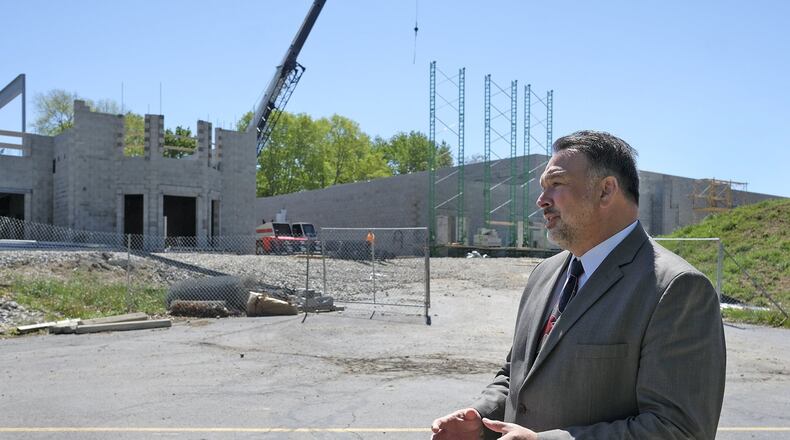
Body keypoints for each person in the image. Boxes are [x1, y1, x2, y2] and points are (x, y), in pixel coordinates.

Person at [431, 130, 726, 439]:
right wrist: (480, 418)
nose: (541, 200)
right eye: (543, 188)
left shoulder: (676, 289)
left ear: (606, 190)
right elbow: (516, 375)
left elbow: (678, 430)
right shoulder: (544, 274)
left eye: (556, 185)